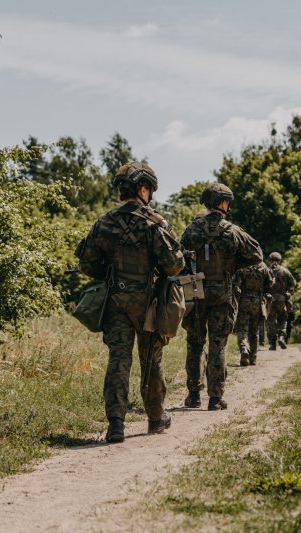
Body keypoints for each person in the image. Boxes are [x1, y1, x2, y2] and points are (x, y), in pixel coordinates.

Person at [75, 162, 185, 443]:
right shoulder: (155, 222)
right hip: (149, 301)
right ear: (143, 188)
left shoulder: (104, 222)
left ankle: (115, 423)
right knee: (151, 360)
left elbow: (86, 264)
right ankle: (156, 418)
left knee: (118, 360)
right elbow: (173, 266)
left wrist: (111, 274)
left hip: (115, 301)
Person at [180, 182, 263, 411]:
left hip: (196, 292)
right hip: (223, 293)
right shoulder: (232, 230)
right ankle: (215, 398)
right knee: (218, 344)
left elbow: (178, 258)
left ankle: (193, 395)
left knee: (194, 343)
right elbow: (257, 255)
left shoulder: (191, 229)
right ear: (223, 203)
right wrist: (234, 264)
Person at [235, 262, 274, 366]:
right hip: (258, 301)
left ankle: (244, 349)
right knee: (254, 330)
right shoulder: (263, 267)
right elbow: (270, 283)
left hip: (243, 300)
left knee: (242, 328)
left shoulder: (242, 265)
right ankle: (253, 358)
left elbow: (236, 284)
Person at [266, 251, 296, 350]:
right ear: (280, 260)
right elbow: (293, 283)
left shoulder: (266, 271)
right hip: (282, 299)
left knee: (271, 321)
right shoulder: (285, 271)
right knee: (283, 319)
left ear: (270, 260)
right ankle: (282, 336)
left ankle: (272, 344)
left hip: (269, 300)